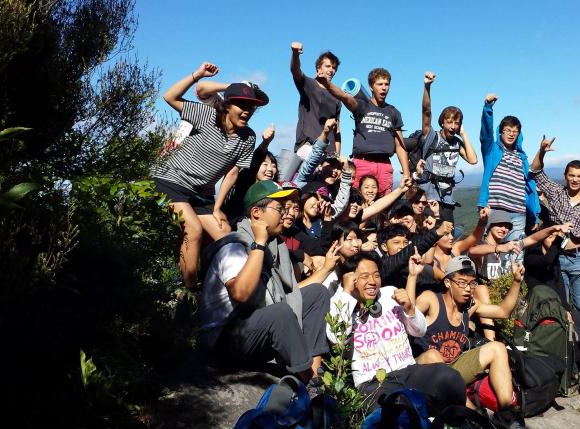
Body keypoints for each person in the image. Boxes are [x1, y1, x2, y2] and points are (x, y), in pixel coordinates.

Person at [198, 181, 331, 384]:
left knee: (317, 294)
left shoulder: (276, 248)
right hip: (225, 339)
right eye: (279, 208)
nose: (285, 214)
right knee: (280, 313)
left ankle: (314, 370)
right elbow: (241, 293)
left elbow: (287, 294)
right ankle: (307, 379)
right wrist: (259, 243)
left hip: (253, 325)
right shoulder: (235, 247)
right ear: (256, 213)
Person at [152, 62, 268, 289]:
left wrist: (217, 208)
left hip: (200, 194)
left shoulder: (248, 137)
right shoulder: (206, 115)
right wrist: (197, 74)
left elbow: (233, 173)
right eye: (242, 105)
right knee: (193, 230)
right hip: (170, 180)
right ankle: (190, 291)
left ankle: (217, 281)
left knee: (225, 234)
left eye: (251, 107)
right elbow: (170, 96)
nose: (247, 111)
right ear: (227, 105)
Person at [326, 252, 466, 415]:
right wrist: (347, 294)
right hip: (373, 383)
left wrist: (409, 308)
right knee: (391, 412)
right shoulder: (340, 301)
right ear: (350, 278)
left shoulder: (389, 294)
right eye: (365, 276)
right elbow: (337, 338)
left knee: (450, 378)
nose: (372, 281)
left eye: (376, 275)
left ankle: (454, 424)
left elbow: (420, 331)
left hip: (408, 372)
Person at [414, 256, 531, 429]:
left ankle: (506, 413)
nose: (468, 288)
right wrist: (411, 278)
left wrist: (516, 282)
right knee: (433, 355)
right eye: (462, 282)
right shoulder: (431, 299)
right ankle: (476, 417)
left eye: (471, 283)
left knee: (498, 348)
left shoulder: (469, 306)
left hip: (454, 366)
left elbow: (503, 311)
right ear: (447, 282)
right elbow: (407, 318)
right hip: (425, 370)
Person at [530, 141, 580, 311]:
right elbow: (535, 171)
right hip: (555, 255)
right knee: (559, 306)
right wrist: (542, 151)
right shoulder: (556, 192)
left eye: (579, 176)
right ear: (565, 176)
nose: (575, 179)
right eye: (571, 175)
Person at [320, 68, 410, 196]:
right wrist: (327, 83)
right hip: (362, 163)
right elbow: (344, 96)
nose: (384, 88)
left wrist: (406, 173)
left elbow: (400, 145)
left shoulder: (393, 112)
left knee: (384, 203)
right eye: (380, 84)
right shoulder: (362, 106)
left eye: (386, 84)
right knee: (358, 201)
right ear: (371, 87)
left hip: (384, 165)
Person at [477, 93, 540, 260]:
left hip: (518, 212)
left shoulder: (522, 157)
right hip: (495, 208)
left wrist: (535, 212)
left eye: (515, 131)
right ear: (500, 132)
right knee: (490, 254)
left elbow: (530, 186)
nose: (511, 134)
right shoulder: (492, 150)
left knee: (516, 255)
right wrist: (488, 108)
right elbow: (485, 134)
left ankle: (514, 277)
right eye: (508, 130)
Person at [414, 72, 478, 223]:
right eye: (449, 122)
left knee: (447, 233)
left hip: (447, 199)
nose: (453, 126)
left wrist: (464, 135)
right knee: (429, 233)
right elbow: (426, 111)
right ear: (442, 122)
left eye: (456, 123)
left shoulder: (457, 143)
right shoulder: (431, 136)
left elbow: (473, 160)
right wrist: (427, 87)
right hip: (428, 197)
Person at [279, 42, 342, 181]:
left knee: (323, 192)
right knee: (304, 187)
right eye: (328, 66)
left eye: (334, 68)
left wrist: (337, 156)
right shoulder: (309, 84)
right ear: (319, 68)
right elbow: (295, 70)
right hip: (308, 147)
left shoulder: (337, 97)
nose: (331, 70)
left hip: (329, 155)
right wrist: (295, 54)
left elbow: (337, 131)